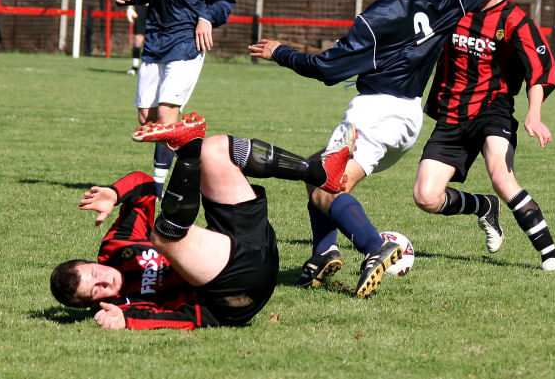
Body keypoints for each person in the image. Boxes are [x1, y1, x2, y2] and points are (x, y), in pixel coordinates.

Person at [248, 0, 515, 291]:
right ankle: (323, 254)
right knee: (317, 170)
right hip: (409, 117)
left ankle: (374, 246)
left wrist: (279, 51)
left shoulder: (374, 22)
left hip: (374, 114)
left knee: (325, 186)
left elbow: (326, 69)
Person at [50, 114, 382, 330]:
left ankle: (319, 172)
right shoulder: (124, 305)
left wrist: (113, 192)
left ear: (92, 261)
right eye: (94, 291)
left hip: (252, 245)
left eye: (95, 274)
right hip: (237, 293)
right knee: (162, 239)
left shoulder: (115, 250)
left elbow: (143, 186)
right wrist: (128, 318)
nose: (104, 282)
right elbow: (181, 318)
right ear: (91, 303)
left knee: (218, 149)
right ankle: (186, 147)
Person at [413, 0, 555, 271]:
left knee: (500, 174)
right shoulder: (451, 10)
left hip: (492, 109)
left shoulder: (513, 19)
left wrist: (534, 114)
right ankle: (483, 207)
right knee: (425, 197)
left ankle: (552, 255)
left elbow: (539, 71)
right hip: (452, 113)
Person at [114, 0, 235, 197]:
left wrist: (207, 17)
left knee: (167, 117)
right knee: (147, 120)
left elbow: (224, 0)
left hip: (186, 43)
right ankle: (196, 158)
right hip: (155, 40)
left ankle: (159, 190)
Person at [125, 4, 146, 75]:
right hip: (141, 6)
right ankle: (134, 68)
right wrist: (130, 7)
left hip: (156, 7)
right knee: (138, 38)